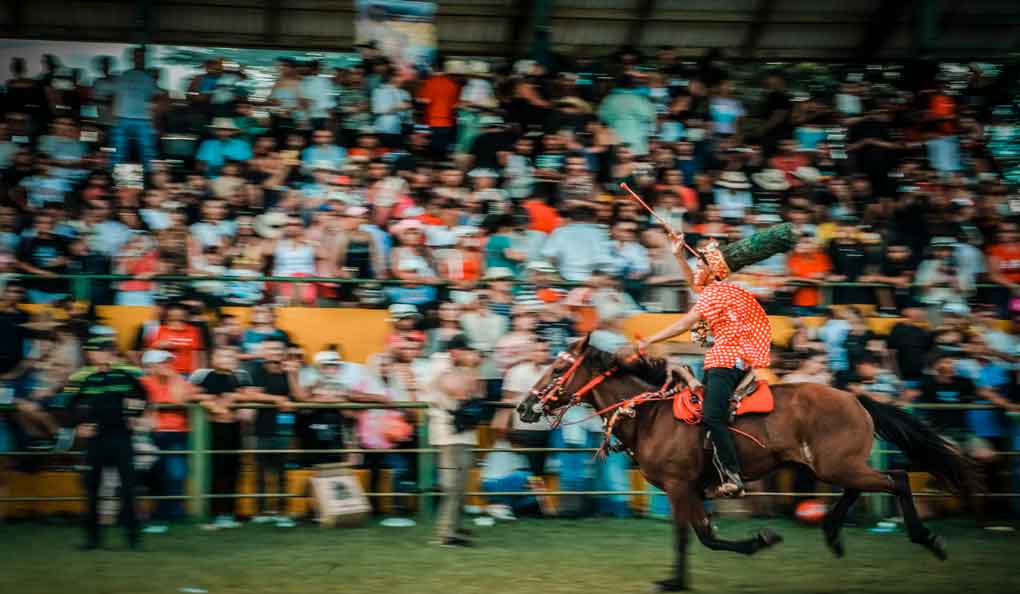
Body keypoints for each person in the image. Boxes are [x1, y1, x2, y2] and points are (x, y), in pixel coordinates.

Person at [633, 232, 773, 497]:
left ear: (713, 271)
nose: (696, 270)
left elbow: (686, 323)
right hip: (732, 360)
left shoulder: (715, 294)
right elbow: (696, 286)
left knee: (711, 417)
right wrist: (677, 255)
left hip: (724, 361)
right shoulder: (724, 290)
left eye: (700, 266)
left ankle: (732, 475)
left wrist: (651, 338)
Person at [67, 337, 147, 550]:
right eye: (92, 351)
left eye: (97, 351)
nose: (92, 355)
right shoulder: (88, 380)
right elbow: (72, 405)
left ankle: (133, 540)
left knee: (129, 489)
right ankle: (92, 540)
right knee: (91, 489)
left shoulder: (125, 376)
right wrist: (80, 424)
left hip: (121, 437)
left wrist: (135, 415)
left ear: (109, 353)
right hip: (96, 439)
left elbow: (143, 396)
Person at [422, 334, 482, 547]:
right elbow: (461, 392)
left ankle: (454, 528)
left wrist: (471, 368)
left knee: (461, 485)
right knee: (452, 486)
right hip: (447, 432)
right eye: (466, 351)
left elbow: (477, 391)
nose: (470, 355)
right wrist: (471, 367)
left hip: (462, 431)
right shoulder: (440, 365)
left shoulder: (459, 367)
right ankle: (446, 533)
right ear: (455, 351)